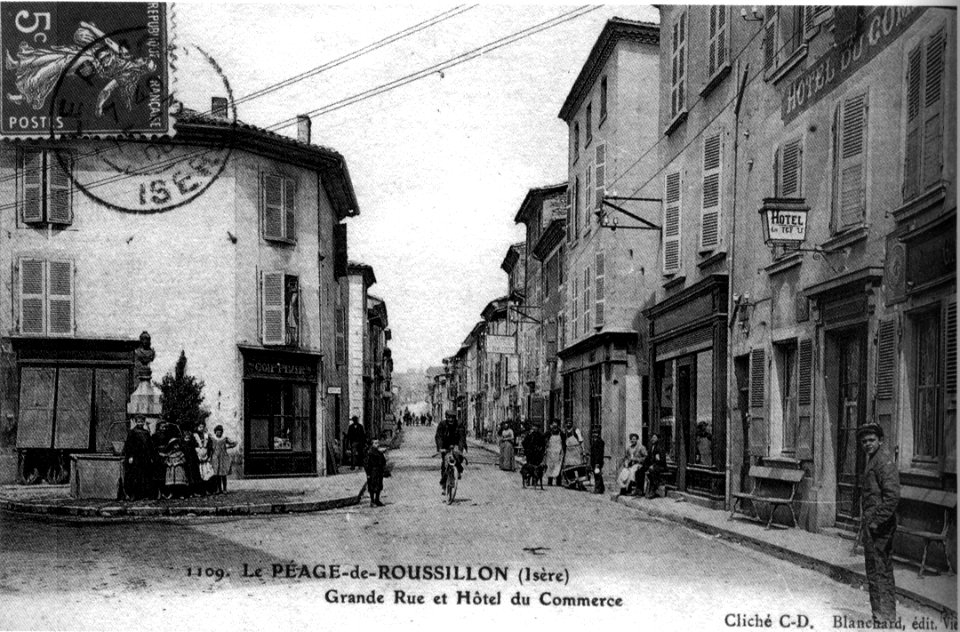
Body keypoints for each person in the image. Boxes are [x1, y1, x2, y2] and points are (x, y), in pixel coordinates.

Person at [857, 422, 900, 623]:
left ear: (880, 441)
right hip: (873, 525)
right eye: (864, 441)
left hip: (880, 528)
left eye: (872, 440)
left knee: (880, 570)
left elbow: (892, 497)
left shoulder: (883, 462)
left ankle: (885, 617)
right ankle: (881, 616)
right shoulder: (873, 460)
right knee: (875, 570)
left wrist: (875, 523)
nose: (867, 444)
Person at [122, 415, 156, 500]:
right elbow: (129, 445)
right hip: (136, 457)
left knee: (145, 476)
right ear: (136, 422)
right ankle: (133, 494)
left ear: (144, 422)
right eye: (138, 421)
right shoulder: (132, 432)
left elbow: (150, 446)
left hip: (145, 458)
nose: (140, 423)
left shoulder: (146, 432)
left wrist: (151, 457)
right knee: (134, 476)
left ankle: (144, 495)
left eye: (142, 421)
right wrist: (130, 456)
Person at [436, 412, 462, 492]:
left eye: (452, 418)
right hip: (445, 445)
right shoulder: (442, 424)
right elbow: (438, 436)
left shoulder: (459, 424)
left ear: (455, 418)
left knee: (458, 458)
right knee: (445, 464)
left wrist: (460, 448)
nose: (451, 419)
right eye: (449, 417)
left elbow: (462, 437)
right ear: (446, 417)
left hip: (455, 444)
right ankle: (444, 485)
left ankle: (458, 471)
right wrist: (440, 448)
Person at [209, 424, 237, 494]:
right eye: (218, 431)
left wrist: (227, 447)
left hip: (223, 457)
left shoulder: (224, 439)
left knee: (223, 474)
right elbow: (210, 447)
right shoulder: (213, 439)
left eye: (220, 431)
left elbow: (234, 443)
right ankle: (219, 489)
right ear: (215, 432)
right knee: (217, 474)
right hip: (215, 457)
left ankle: (225, 488)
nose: (219, 433)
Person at [637, 433, 665, 498]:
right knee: (639, 471)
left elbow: (662, 460)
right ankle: (640, 490)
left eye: (654, 438)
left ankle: (653, 490)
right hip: (652, 465)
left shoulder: (660, 447)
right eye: (652, 438)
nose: (652, 439)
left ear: (658, 439)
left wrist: (654, 465)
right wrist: (642, 465)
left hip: (660, 466)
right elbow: (647, 458)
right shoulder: (651, 447)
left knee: (652, 471)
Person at [364, 439, 387, 507]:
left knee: (379, 485)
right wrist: (368, 474)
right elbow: (366, 464)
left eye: (378, 443)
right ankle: (372, 501)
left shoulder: (379, 452)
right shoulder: (369, 453)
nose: (377, 444)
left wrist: (383, 469)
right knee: (372, 486)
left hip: (379, 470)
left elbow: (383, 461)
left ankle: (377, 500)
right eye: (375, 443)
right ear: (372, 444)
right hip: (372, 471)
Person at [194, 422, 214, 495]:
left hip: (206, 456)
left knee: (208, 473)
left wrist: (208, 456)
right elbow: (194, 447)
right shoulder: (195, 436)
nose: (201, 428)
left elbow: (210, 446)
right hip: (198, 456)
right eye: (200, 427)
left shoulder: (206, 436)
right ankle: (200, 491)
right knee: (200, 474)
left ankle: (208, 490)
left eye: (202, 427)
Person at [544, 421, 563, 486]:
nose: (555, 428)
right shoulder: (548, 433)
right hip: (550, 452)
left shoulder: (561, 433)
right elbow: (543, 439)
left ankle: (558, 482)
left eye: (556, 426)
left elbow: (564, 442)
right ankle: (550, 481)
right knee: (550, 466)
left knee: (558, 466)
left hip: (558, 452)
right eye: (553, 426)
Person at [590, 428, 605, 495]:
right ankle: (602, 488)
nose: (594, 434)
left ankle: (598, 489)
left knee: (597, 475)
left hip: (597, 461)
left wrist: (597, 463)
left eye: (596, 433)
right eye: (593, 433)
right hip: (594, 461)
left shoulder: (600, 442)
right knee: (597, 474)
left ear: (599, 434)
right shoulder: (594, 441)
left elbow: (599, 453)